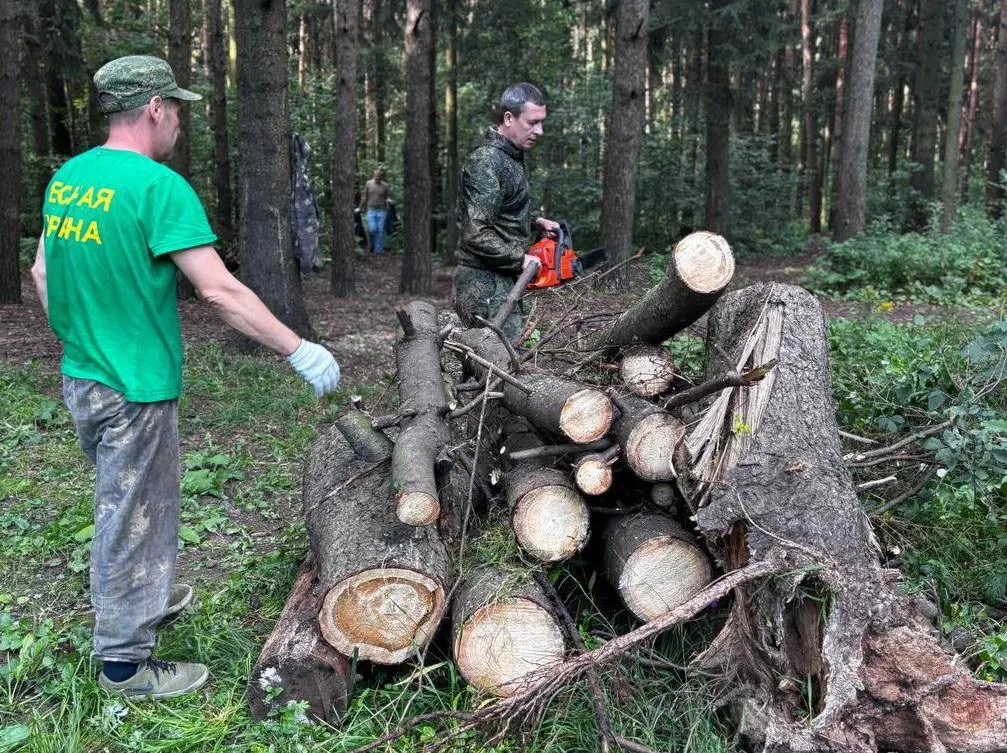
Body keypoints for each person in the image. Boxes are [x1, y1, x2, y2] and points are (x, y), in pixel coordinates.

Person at [30, 55, 341, 700]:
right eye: (176, 108)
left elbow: (40, 273)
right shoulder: (157, 186)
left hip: (84, 377)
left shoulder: (69, 177)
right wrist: (298, 349)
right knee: (132, 514)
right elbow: (220, 293)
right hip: (136, 387)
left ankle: (145, 594)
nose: (179, 121)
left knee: (135, 502)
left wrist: (82, 335)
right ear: (153, 109)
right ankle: (123, 665)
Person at [453, 82, 559, 342]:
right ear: (509, 118)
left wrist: (536, 220)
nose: (539, 131)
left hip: (504, 278)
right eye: (532, 122)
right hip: (483, 282)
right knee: (495, 366)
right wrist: (520, 260)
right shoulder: (487, 161)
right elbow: (475, 232)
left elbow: (504, 207)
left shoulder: (513, 157)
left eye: (541, 122)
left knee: (500, 365)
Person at [359, 166, 391, 254]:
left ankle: (378, 250)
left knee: (380, 230)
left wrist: (389, 201)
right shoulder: (368, 184)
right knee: (372, 229)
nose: (377, 177)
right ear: (374, 175)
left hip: (382, 210)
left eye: (379, 176)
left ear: (381, 176)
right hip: (371, 210)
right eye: (376, 176)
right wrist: (360, 207)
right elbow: (364, 196)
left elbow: (386, 197)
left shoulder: (385, 185)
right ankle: (372, 245)